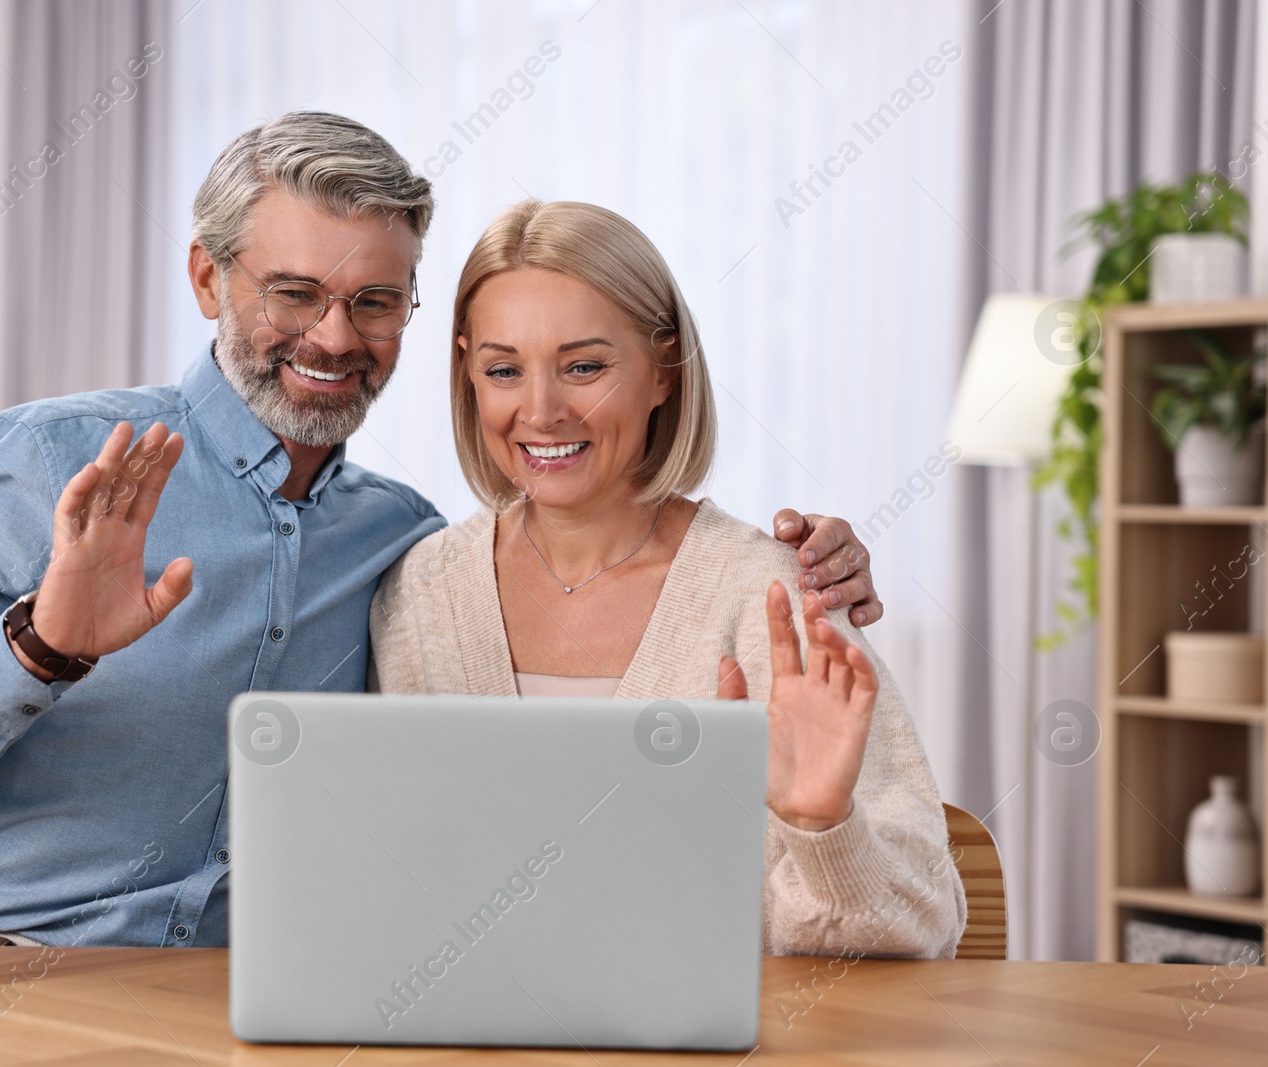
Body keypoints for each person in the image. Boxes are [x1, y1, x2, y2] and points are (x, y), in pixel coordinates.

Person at [0, 112, 883, 947]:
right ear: (208, 278)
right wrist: (41, 643)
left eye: (375, 301)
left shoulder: (405, 550)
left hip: (249, 1002)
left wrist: (798, 564)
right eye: (293, 292)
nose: (335, 337)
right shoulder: (49, 465)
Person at [370, 199, 963, 958]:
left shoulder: (774, 596)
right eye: (504, 369)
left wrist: (822, 827)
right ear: (469, 374)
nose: (542, 410)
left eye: (585, 366)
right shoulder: (422, 594)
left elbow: (923, 926)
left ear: (665, 370)